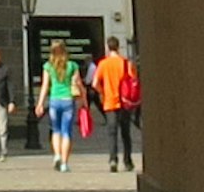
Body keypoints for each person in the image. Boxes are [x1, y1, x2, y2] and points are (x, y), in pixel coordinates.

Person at [36, 41, 87, 170]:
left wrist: (40, 103)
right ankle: (64, 163)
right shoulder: (72, 66)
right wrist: (83, 100)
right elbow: (79, 84)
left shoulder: (48, 66)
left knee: (55, 130)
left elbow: (45, 86)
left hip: (54, 100)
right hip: (68, 101)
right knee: (66, 132)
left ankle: (57, 155)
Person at [93, 37, 141, 173]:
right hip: (125, 103)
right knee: (126, 133)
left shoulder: (103, 64)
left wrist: (102, 92)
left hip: (110, 102)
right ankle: (128, 161)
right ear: (118, 47)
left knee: (112, 133)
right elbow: (134, 81)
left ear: (108, 47)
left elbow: (94, 83)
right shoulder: (126, 63)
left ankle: (113, 159)